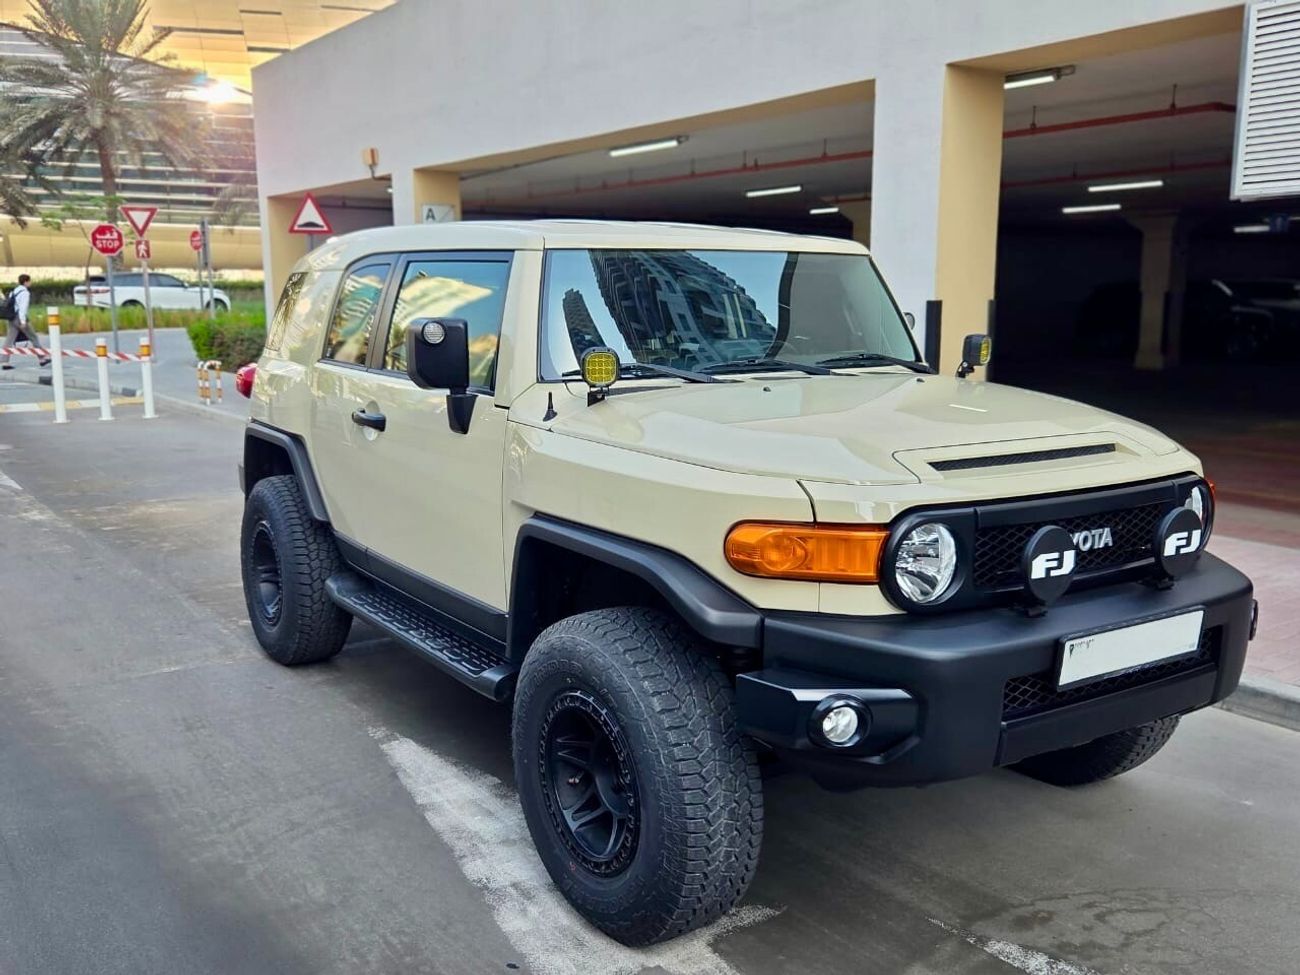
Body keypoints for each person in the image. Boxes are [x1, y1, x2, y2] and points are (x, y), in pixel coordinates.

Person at [0, 274, 50, 369]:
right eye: (29, 281)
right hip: (19, 317)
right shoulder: (25, 293)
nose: (30, 283)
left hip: (11, 317)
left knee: (9, 340)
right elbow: (23, 308)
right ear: (26, 282)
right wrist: (23, 321)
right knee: (33, 337)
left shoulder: (15, 290)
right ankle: (42, 358)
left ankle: (4, 361)